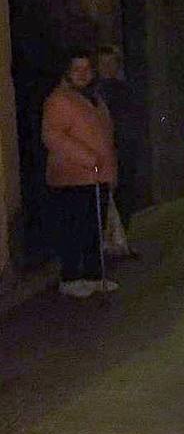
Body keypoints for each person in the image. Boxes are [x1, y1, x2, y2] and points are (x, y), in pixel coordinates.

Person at [42, 47, 119, 298]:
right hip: (73, 177)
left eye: (87, 69)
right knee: (75, 229)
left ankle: (94, 275)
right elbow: (53, 136)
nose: (83, 74)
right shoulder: (59, 100)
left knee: (94, 229)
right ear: (68, 72)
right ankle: (72, 277)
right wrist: (86, 158)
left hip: (96, 175)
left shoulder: (94, 98)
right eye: (77, 69)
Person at [96, 44, 143, 244]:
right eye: (103, 64)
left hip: (124, 151)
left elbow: (132, 120)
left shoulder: (125, 91)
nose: (107, 68)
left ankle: (121, 239)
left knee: (125, 196)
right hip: (103, 153)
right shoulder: (94, 93)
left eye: (111, 63)